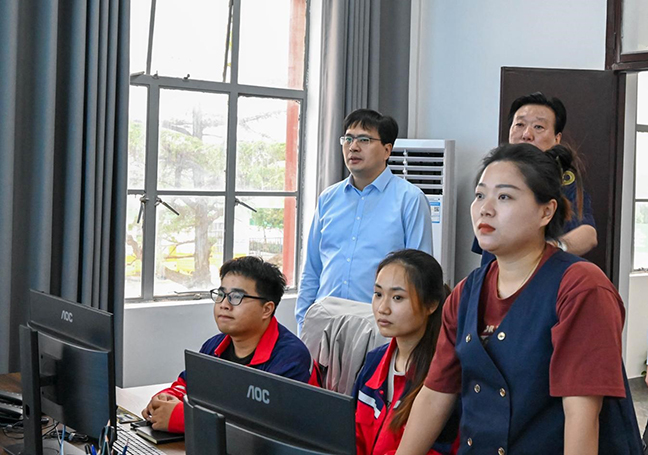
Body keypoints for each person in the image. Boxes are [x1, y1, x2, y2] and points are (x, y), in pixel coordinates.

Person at [396, 143, 643, 454]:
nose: (485, 209)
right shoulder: (466, 292)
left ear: (546, 211)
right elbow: (435, 396)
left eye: (504, 197)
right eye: (480, 195)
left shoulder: (580, 287)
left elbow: (581, 417)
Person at [142, 256, 318, 433]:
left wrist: (184, 418)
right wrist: (166, 399)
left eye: (236, 297)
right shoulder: (214, 346)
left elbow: (264, 427)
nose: (224, 305)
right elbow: (187, 384)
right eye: (221, 295)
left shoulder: (290, 357)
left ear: (266, 309)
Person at [295, 109, 433, 331]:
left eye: (364, 140)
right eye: (348, 139)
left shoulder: (410, 199)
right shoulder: (328, 198)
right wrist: (303, 322)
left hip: (377, 325)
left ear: (387, 150)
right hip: (324, 323)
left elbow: (420, 276)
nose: (353, 147)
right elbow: (312, 269)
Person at [353, 249, 459, 455]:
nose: (383, 308)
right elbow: (351, 435)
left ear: (431, 305)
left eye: (397, 297)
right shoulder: (374, 361)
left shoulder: (443, 377)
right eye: (378, 294)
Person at [473, 92, 597, 265]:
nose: (526, 134)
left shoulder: (561, 181)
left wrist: (546, 251)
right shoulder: (493, 174)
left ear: (557, 138)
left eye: (538, 127)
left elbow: (588, 234)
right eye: (519, 124)